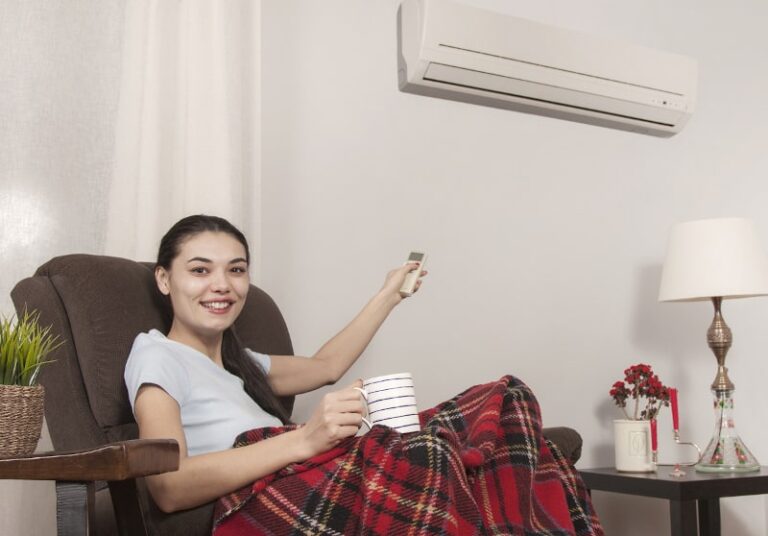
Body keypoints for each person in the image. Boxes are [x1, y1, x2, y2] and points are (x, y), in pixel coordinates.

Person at [124, 214, 426, 513]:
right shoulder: (158, 355)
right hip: (277, 503)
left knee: (462, 420)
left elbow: (327, 366)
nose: (222, 285)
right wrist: (305, 439)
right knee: (433, 456)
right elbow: (168, 488)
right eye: (200, 270)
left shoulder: (239, 363)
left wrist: (389, 296)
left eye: (236, 270)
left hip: (315, 480)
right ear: (164, 279)